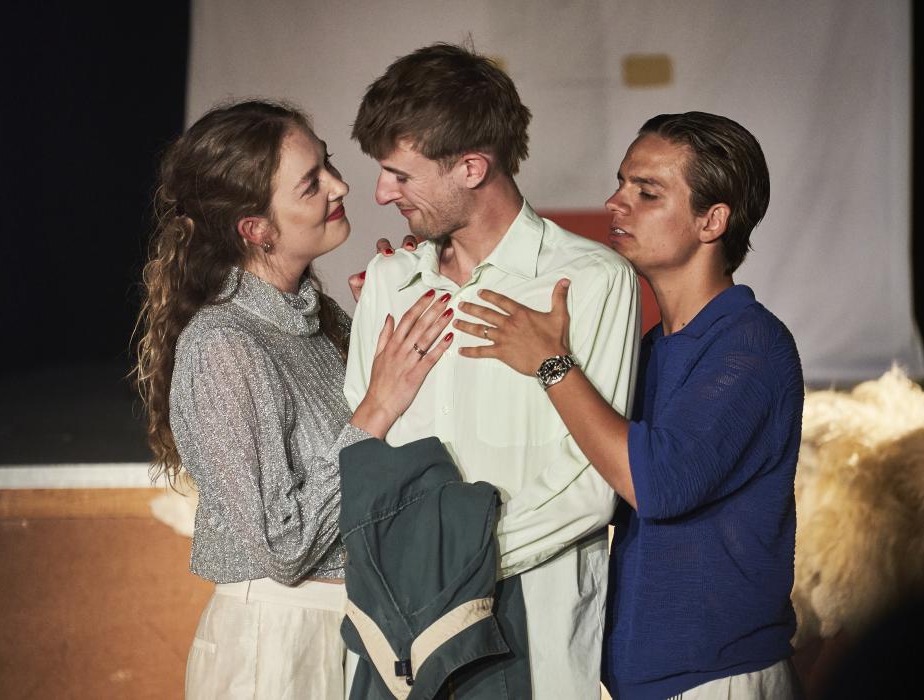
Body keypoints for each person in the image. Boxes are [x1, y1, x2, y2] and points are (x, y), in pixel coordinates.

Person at [455, 112, 804, 699]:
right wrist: (419, 284)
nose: (616, 202)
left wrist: (553, 363)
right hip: (647, 680)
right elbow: (589, 475)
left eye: (647, 192)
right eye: (621, 183)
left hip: (719, 679)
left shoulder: (752, 345)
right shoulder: (653, 349)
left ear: (712, 220)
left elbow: (656, 484)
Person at [344, 44, 642, 697]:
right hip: (396, 631)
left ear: (472, 168)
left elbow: (592, 487)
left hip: (529, 626)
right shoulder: (389, 282)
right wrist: (417, 579)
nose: (381, 193)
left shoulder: (591, 281)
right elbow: (363, 465)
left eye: (399, 174)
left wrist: (448, 566)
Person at [132, 100, 454, 700]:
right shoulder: (223, 343)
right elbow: (283, 549)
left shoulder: (319, 319)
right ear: (256, 229)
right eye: (312, 183)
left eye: (328, 163)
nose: (340, 185)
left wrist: (376, 325)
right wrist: (376, 407)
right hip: (277, 644)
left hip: (355, 627)